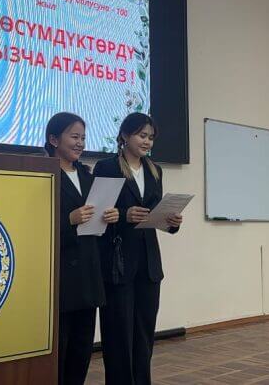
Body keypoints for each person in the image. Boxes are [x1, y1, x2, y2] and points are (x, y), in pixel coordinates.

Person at [93, 112, 183, 384]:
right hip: (117, 263)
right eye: (142, 135)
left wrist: (171, 222)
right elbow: (96, 215)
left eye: (151, 137)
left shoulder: (155, 170)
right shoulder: (107, 167)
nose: (147, 142)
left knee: (144, 335)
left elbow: (155, 214)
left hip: (148, 265)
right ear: (124, 135)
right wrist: (124, 215)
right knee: (118, 335)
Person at [46, 112, 118, 385]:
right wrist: (69, 220)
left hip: (88, 274)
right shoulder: (43, 173)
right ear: (54, 139)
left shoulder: (89, 177)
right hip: (60, 277)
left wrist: (110, 217)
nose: (80, 143)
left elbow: (96, 225)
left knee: (81, 348)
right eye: (74, 136)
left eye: (83, 138)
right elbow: (34, 225)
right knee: (59, 350)